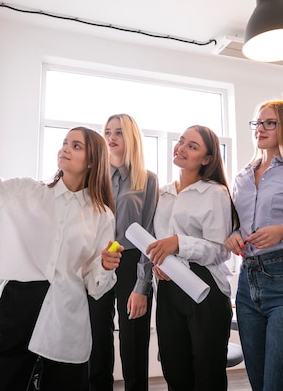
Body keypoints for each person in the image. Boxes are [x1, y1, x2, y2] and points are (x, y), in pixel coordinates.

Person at [0, 83, 123, 391]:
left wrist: (105, 265)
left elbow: (93, 284)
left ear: (92, 161)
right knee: (1, 383)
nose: (65, 148)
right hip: (19, 302)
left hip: (67, 307)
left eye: (76, 146)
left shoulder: (101, 215)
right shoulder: (23, 192)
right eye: (65, 142)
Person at [224, 100, 283, 391]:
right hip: (246, 282)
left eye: (269, 123)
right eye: (257, 123)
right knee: (260, 385)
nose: (260, 129)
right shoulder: (241, 176)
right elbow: (239, 224)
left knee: (279, 386)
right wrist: (233, 235)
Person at [145, 125, 238, 391]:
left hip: (205, 289)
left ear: (207, 159)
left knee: (207, 374)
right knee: (174, 370)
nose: (182, 148)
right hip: (168, 287)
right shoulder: (162, 193)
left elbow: (220, 250)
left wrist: (179, 244)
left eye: (192, 146)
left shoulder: (215, 193)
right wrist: (158, 262)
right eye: (182, 141)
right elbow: (155, 241)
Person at [85, 114, 158, 391]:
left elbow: (149, 233)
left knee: (134, 343)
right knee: (97, 340)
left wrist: (142, 284)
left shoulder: (148, 180)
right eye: (107, 131)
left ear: (131, 138)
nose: (111, 137)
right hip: (98, 261)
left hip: (131, 262)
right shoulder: (93, 178)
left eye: (119, 132)